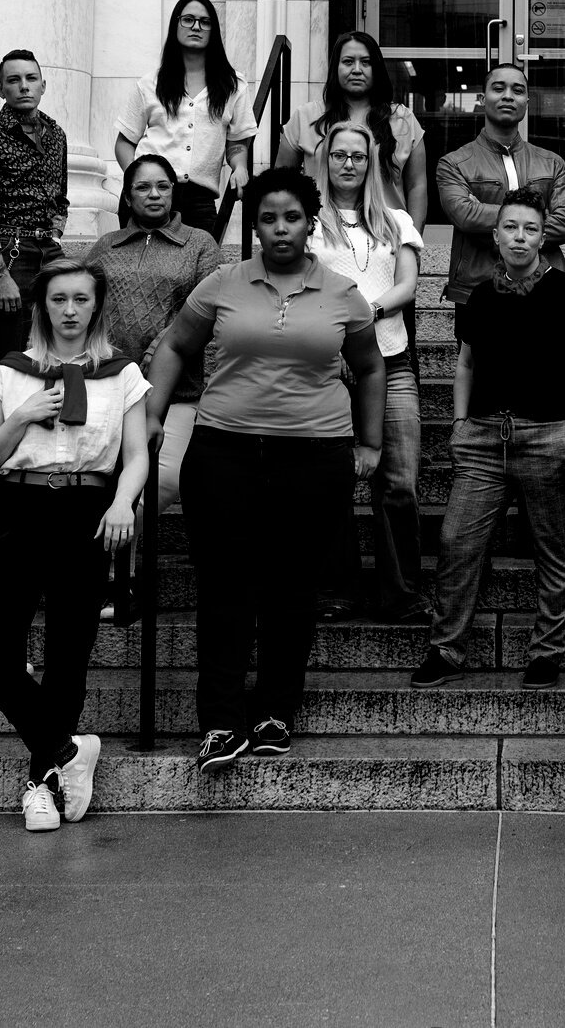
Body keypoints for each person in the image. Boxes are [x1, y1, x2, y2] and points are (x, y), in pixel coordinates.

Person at [147, 168, 385, 772]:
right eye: (268, 218)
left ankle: (277, 710)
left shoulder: (341, 292)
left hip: (315, 458)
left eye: (293, 218)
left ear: (311, 222)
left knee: (292, 588)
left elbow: (371, 367)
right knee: (225, 586)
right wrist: (150, 417)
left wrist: (371, 444)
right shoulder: (222, 283)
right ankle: (221, 723)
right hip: (223, 453)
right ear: (252, 224)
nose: (281, 229)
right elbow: (174, 345)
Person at [0, 259, 152, 832]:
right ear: (41, 306)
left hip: (85, 512)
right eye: (58, 300)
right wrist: (21, 416)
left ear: (96, 305)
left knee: (68, 656)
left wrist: (124, 503)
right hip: (18, 509)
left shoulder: (122, 374)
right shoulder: (10, 373)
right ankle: (69, 751)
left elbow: (138, 453)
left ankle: (41, 782)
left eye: (81, 299)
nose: (69, 310)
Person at [410, 187, 565, 691]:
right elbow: (467, 363)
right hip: (481, 440)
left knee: (555, 548)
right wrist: (457, 425)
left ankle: (547, 652)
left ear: (543, 236)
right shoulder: (479, 295)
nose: (521, 237)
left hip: (547, 436)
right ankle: (446, 649)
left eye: (531, 229)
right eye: (511, 228)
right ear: (495, 236)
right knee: (456, 540)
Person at [82, 151, 223, 609]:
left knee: (155, 485)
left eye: (162, 186)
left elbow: (200, 316)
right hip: (106, 388)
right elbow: (82, 306)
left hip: (176, 391)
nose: (154, 194)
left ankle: (119, 577)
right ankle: (109, 581)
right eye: (143, 187)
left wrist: (147, 363)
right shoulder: (106, 246)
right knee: (94, 484)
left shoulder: (199, 244)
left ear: (174, 191)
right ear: (127, 194)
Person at [305, 121, 427, 621]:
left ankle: (400, 594)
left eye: (358, 156)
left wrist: (366, 312)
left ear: (371, 161)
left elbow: (408, 285)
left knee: (398, 482)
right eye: (340, 155)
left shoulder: (396, 220)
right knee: (331, 483)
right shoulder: (308, 220)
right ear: (325, 160)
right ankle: (339, 590)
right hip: (326, 366)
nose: (349, 164)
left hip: (391, 360)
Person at [0, 49, 71, 375]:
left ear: (42, 85)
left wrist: (54, 235)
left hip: (48, 253)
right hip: (6, 256)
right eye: (14, 80)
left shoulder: (57, 135)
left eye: (30, 78)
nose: (24, 86)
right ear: (1, 89)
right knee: (4, 361)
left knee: (47, 353)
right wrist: (0, 275)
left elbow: (60, 196)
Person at [434, 60, 565, 305]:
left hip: (545, 287)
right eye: (498, 89)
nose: (508, 96)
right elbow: (464, 215)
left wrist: (488, 215)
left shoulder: (552, 163)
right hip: (477, 289)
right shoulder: (454, 163)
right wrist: (538, 219)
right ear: (482, 98)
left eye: (518, 90)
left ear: (526, 103)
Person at [115, 0, 256, 237]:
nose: (196, 27)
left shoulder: (233, 86)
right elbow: (125, 142)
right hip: (149, 195)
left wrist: (240, 167)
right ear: (176, 25)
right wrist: (137, 181)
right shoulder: (150, 83)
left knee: (201, 270)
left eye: (205, 21)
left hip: (199, 199)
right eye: (188, 19)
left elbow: (237, 143)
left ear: (213, 29)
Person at [279, 28, 431, 224]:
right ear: (336, 67)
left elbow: (417, 186)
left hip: (387, 237)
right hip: (321, 238)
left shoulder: (403, 119)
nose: (357, 69)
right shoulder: (305, 117)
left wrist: (413, 241)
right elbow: (281, 183)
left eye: (366, 62)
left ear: (376, 68)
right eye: (348, 61)